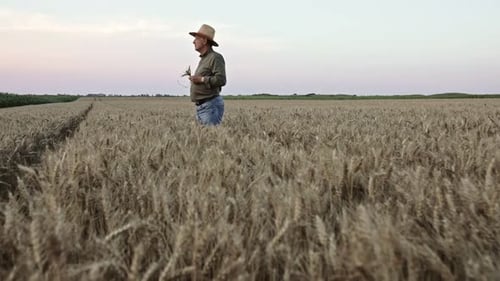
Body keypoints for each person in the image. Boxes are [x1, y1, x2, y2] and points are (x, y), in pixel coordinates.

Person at [189, 24, 226, 126]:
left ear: (204, 41)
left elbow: (221, 79)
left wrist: (201, 79)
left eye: (196, 38)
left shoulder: (215, 57)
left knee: (211, 139)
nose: (193, 42)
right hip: (203, 107)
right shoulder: (204, 59)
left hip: (210, 106)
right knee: (204, 140)